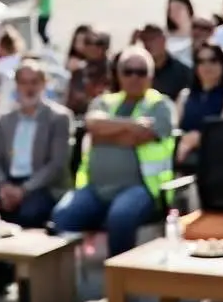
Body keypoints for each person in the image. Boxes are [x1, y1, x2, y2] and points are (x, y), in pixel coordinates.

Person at [52, 48, 175, 256]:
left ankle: (117, 280)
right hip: (95, 189)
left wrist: (107, 133)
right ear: (118, 74)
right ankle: (67, 281)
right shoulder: (104, 102)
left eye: (141, 71)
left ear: (151, 76)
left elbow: (138, 136)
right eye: (128, 71)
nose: (134, 77)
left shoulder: (160, 105)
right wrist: (132, 125)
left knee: (120, 216)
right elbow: (93, 125)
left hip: (141, 189)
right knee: (63, 215)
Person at [0, 60, 73, 293]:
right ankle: (0, 272)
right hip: (9, 182)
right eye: (24, 83)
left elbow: (56, 165)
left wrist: (24, 190)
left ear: (44, 84)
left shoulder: (58, 117)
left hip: (42, 185)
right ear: (16, 86)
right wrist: (2, 186)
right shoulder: (6, 119)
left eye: (34, 82)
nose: (29, 88)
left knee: (29, 213)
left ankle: (29, 280)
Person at [175, 43, 223, 171]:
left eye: (213, 60)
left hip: (217, 167)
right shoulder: (185, 96)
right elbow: (174, 129)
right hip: (184, 165)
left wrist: (194, 139)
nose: (207, 66)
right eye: (201, 61)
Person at [136, 22, 192, 101]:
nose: (148, 44)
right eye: (144, 39)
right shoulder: (136, 71)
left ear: (164, 40)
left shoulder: (182, 71)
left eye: (152, 39)